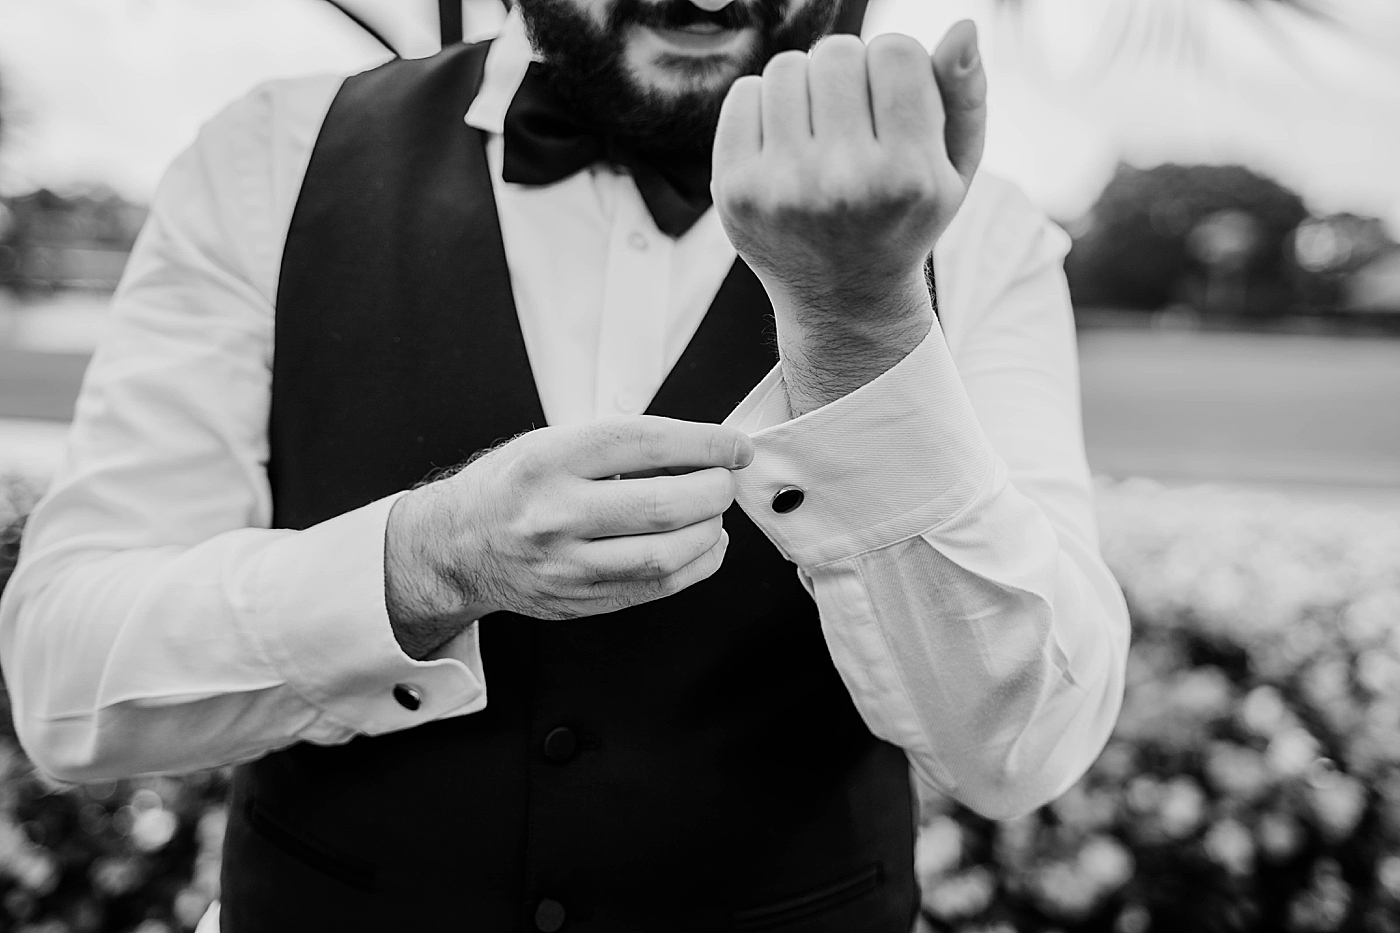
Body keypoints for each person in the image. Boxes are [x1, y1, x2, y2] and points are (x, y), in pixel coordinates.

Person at [0, 0, 1130, 929]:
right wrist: (425, 563)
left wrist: (862, 325)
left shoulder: (979, 234)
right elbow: (67, 678)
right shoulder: (267, 163)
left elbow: (1025, 749)